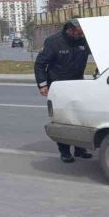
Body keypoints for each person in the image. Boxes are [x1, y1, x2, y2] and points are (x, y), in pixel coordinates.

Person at [35, 19, 92, 163]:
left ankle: (80, 149)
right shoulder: (54, 42)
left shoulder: (84, 41)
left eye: (83, 33)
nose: (82, 36)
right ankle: (65, 151)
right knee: (63, 119)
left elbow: (101, 52)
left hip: (78, 84)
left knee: (80, 118)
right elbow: (40, 64)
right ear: (70, 30)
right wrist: (42, 85)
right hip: (59, 86)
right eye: (79, 33)